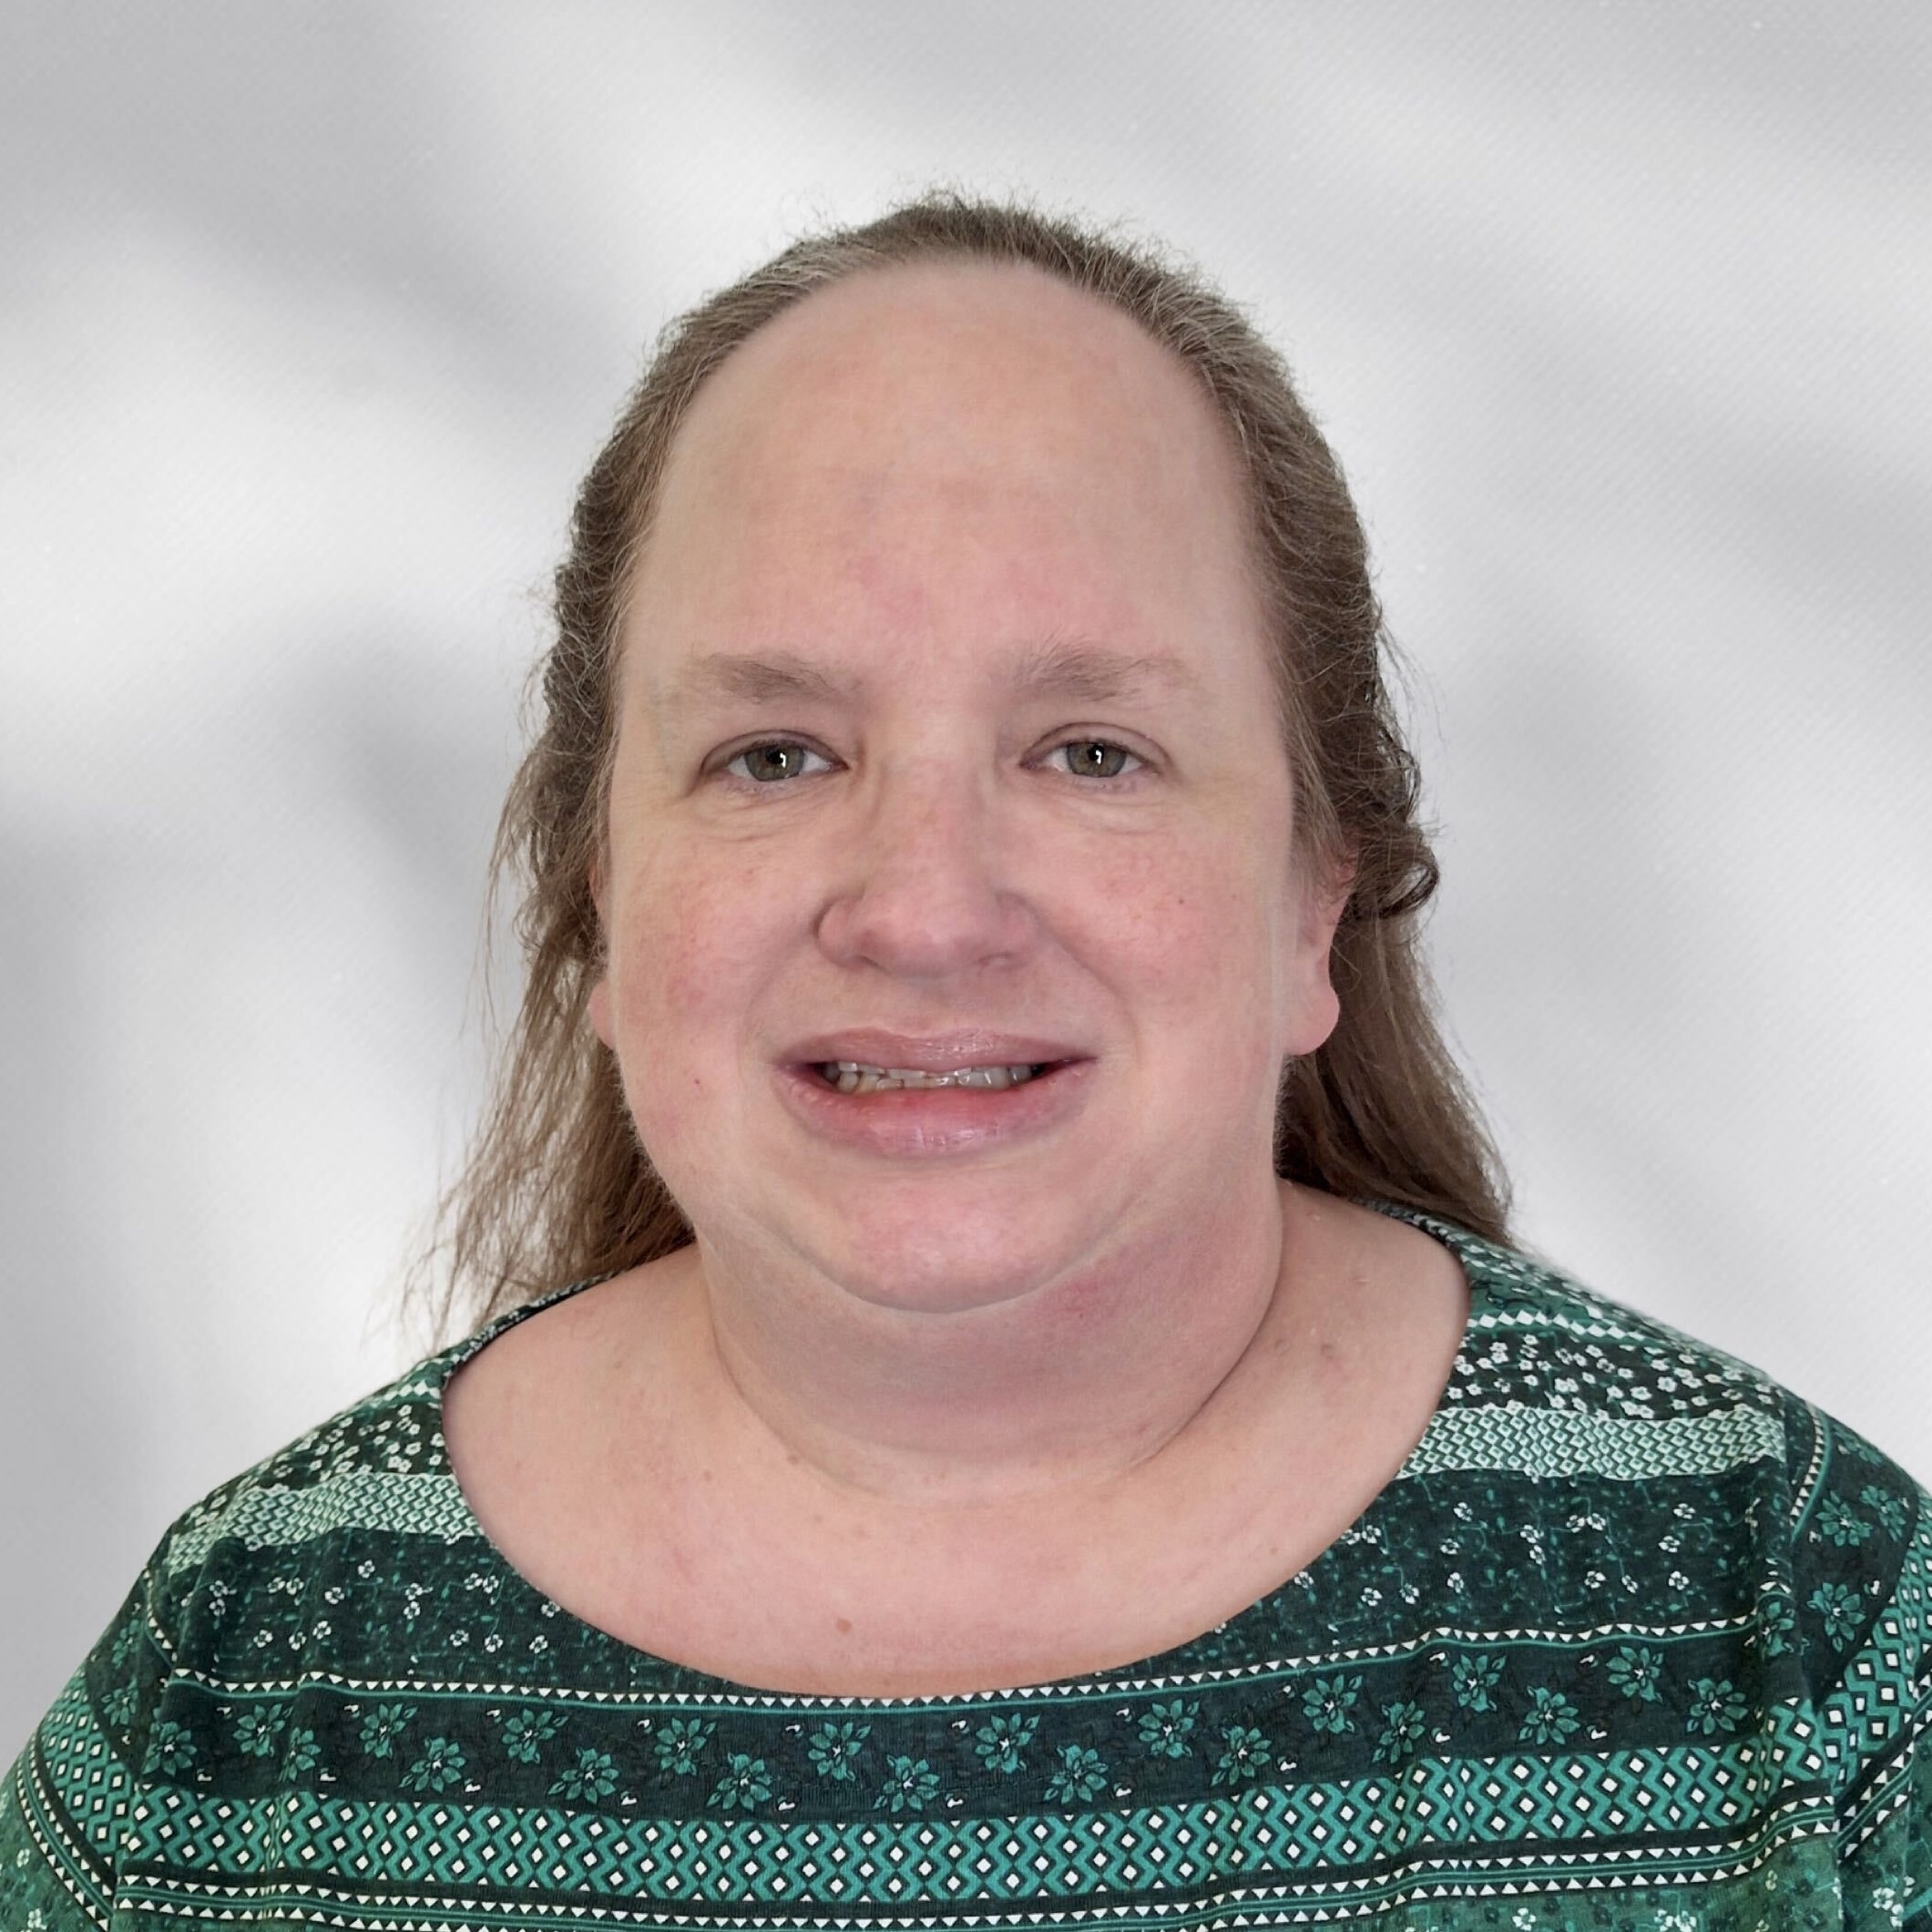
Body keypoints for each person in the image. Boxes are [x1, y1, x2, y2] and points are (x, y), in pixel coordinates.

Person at [4, 194, 1926, 1932]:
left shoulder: (1791, 1634)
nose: (922, 908)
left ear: (1308, 899)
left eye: (1089, 749)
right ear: (603, 895)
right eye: (774, 752)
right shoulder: (257, 1678)